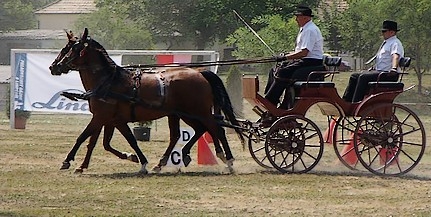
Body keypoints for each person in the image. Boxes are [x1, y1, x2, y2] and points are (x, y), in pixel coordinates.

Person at [264, 5, 324, 108]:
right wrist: (286, 55)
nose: (296, 19)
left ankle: (272, 101)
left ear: (306, 17)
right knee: (275, 69)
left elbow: (304, 53)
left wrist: (286, 57)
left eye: (298, 16)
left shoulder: (310, 30)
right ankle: (269, 97)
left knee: (283, 71)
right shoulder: (305, 29)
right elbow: (299, 51)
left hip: (311, 62)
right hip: (305, 60)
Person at [342, 20, 404, 103]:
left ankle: (356, 102)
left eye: (384, 31)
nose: (382, 33)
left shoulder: (395, 43)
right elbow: (383, 60)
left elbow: (395, 56)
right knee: (354, 76)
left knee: (363, 77)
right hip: (381, 72)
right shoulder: (387, 43)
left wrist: (393, 68)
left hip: (388, 75)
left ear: (392, 32)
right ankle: (346, 101)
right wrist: (374, 67)